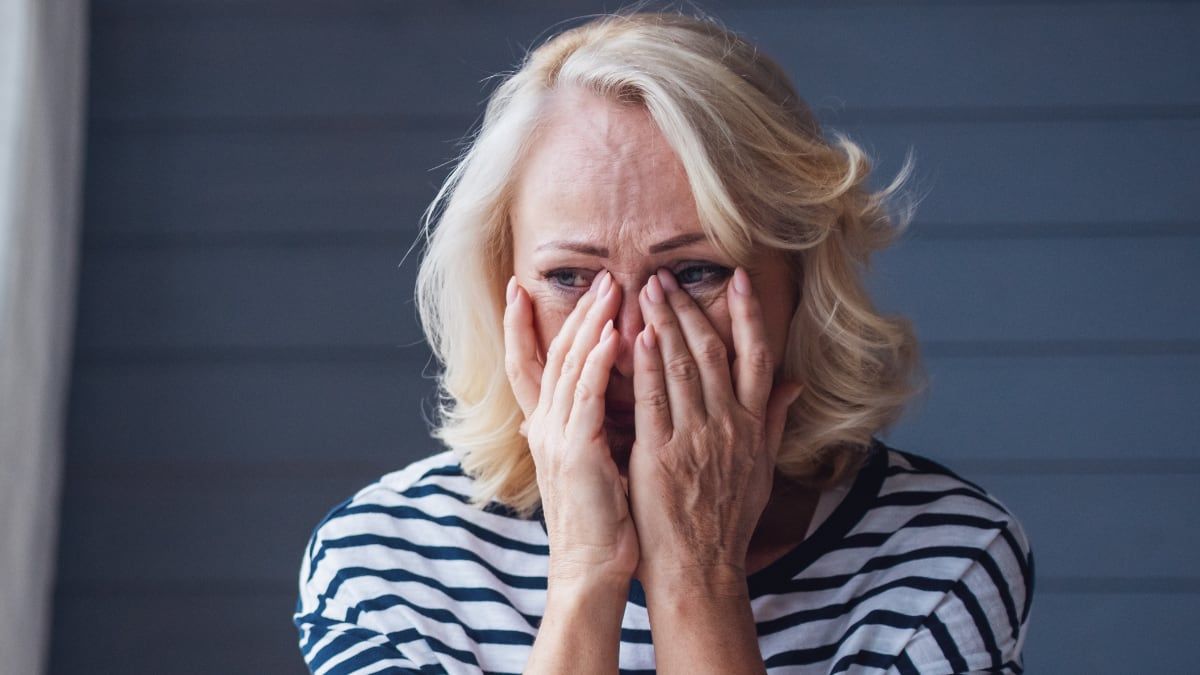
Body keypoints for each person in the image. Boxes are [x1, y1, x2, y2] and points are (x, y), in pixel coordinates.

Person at [294, 9, 1033, 674]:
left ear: (802, 284)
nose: (629, 345)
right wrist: (585, 574)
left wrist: (697, 576)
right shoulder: (384, 564)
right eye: (571, 278)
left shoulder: (943, 560)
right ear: (500, 284)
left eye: (695, 272)